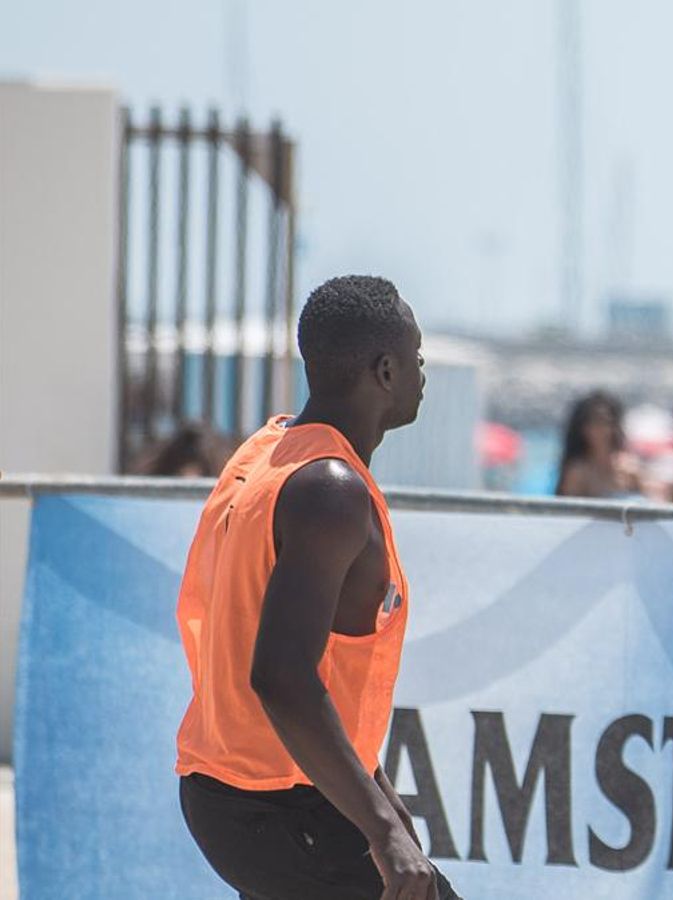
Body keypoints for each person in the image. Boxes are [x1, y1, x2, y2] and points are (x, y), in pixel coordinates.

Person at [174, 275, 459, 900]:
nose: (421, 372)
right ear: (385, 371)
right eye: (415, 357)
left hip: (230, 796)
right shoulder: (330, 488)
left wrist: (379, 796)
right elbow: (282, 677)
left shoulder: (268, 450)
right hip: (281, 806)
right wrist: (381, 830)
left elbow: (315, 666)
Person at [555, 390, 647, 499]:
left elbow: (647, 505)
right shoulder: (577, 473)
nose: (600, 429)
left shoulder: (629, 470)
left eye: (605, 422)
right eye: (594, 422)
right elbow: (567, 511)